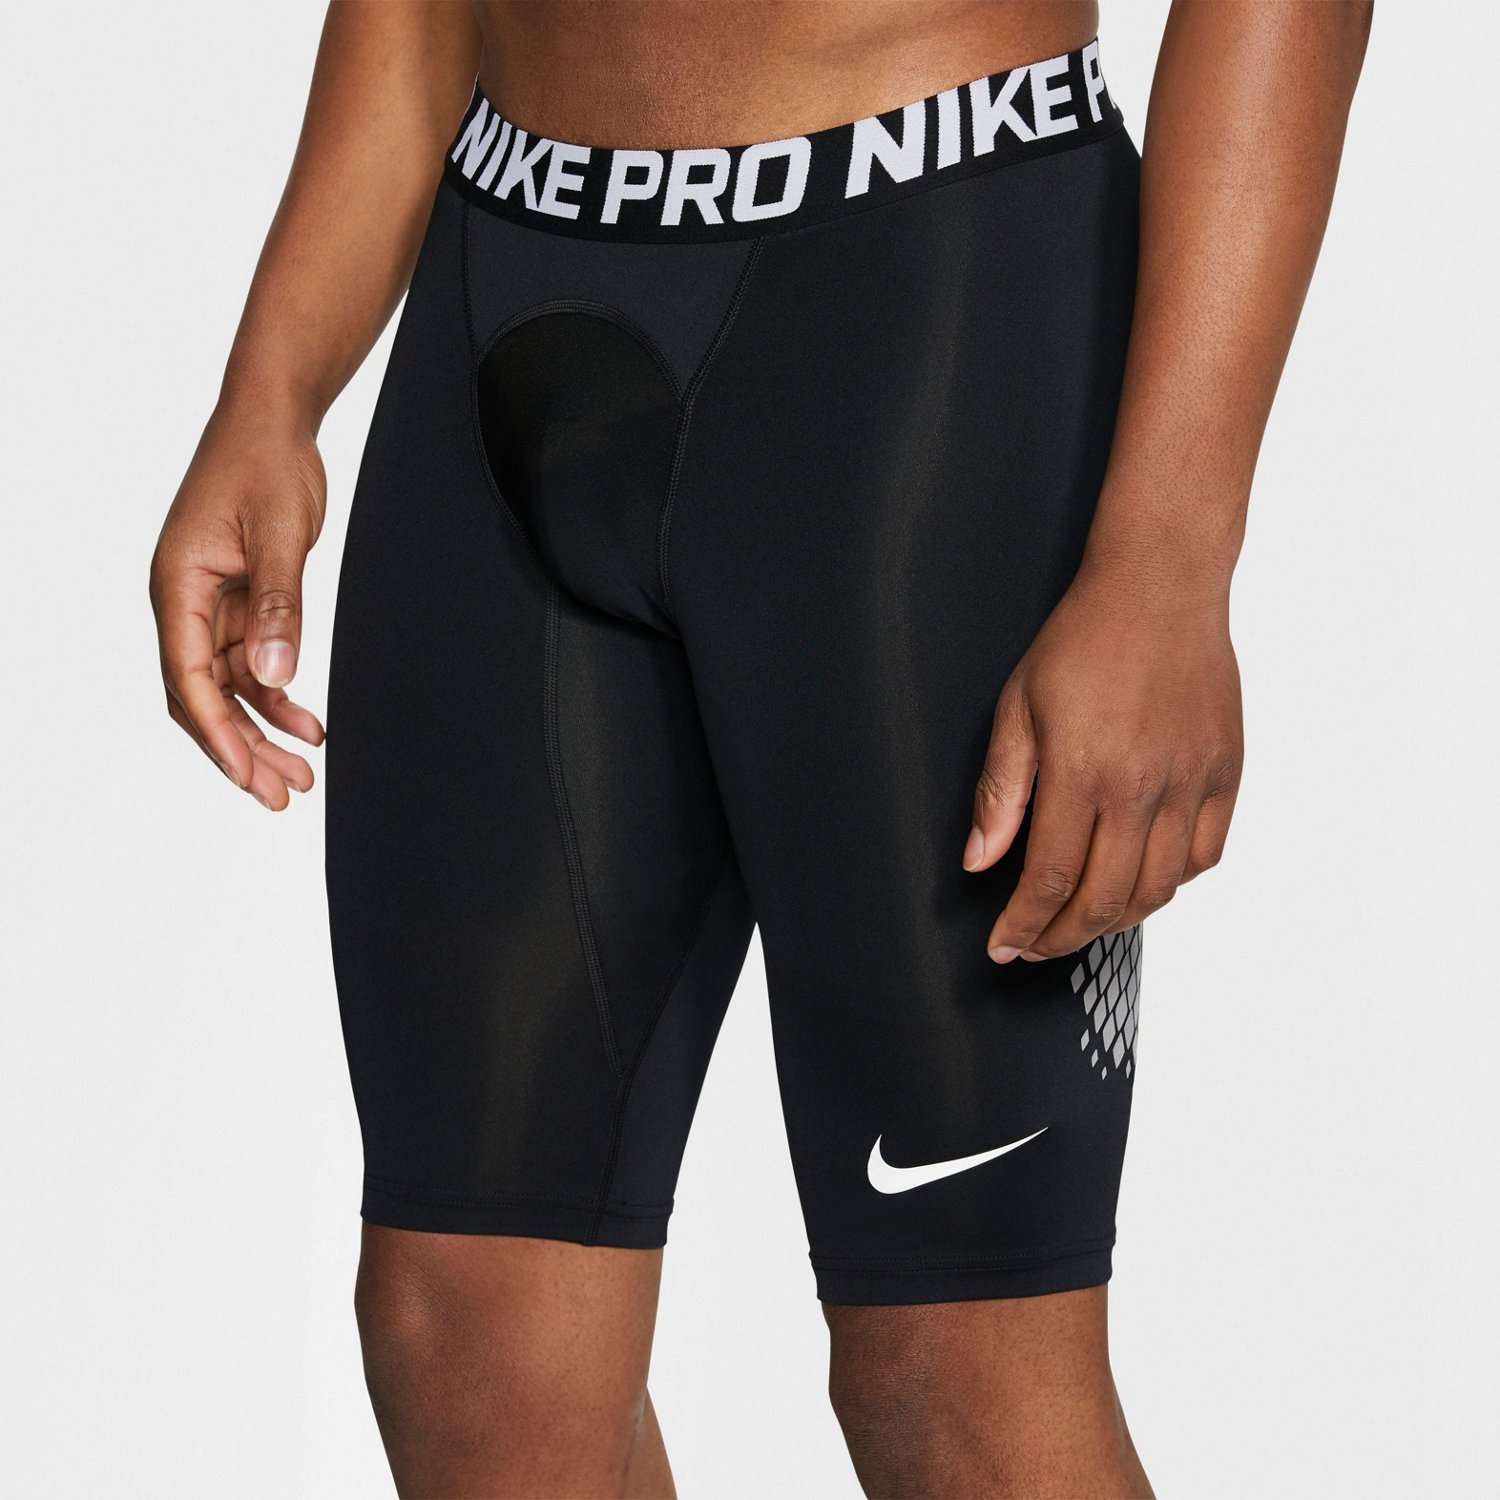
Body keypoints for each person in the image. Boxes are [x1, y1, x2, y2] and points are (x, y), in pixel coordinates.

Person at [149, 2, 1370, 1495]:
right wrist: (271, 388)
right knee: (468, 1346)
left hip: (935, 293)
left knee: (953, 1380)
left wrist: (1168, 561)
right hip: (506, 302)